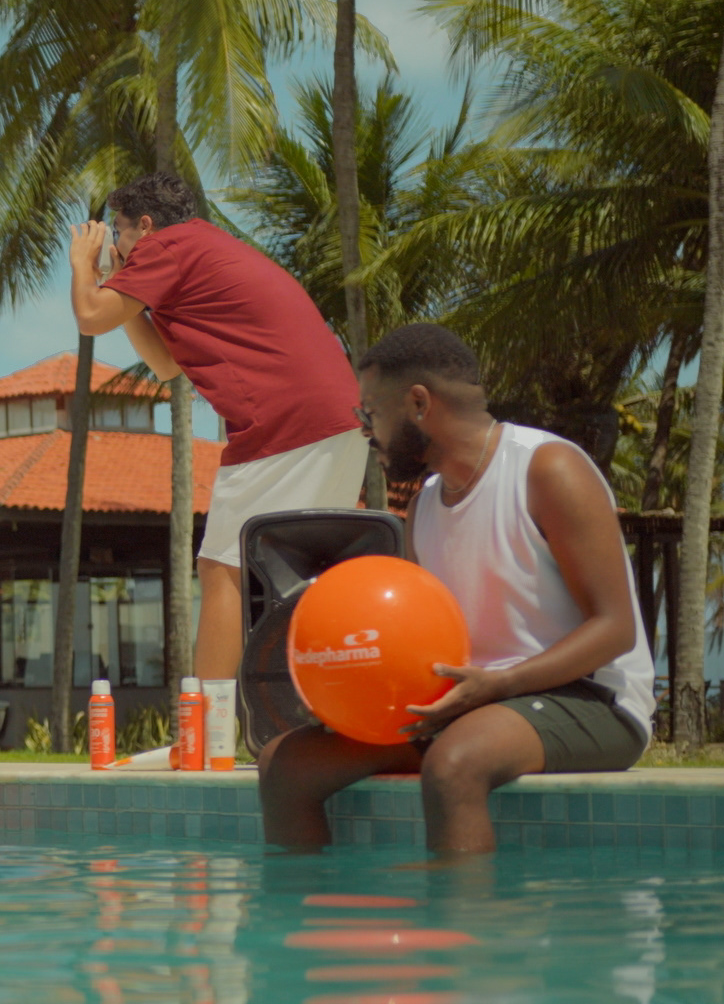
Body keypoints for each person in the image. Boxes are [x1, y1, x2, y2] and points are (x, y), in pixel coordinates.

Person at [258, 324, 655, 854]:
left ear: (419, 403)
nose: (365, 431)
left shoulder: (547, 469)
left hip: (592, 700)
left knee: (454, 765)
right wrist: (354, 701)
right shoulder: (424, 505)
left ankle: (458, 909)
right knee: (285, 765)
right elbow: (420, 642)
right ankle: (304, 907)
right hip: (470, 705)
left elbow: (615, 629)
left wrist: (499, 685)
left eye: (370, 413)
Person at [68, 172, 366, 683]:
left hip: (285, 423)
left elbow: (90, 317)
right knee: (300, 576)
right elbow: (165, 364)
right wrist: (120, 283)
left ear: (146, 225)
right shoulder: (200, 246)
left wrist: (83, 266)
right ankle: (325, 701)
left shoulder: (166, 247)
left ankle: (209, 719)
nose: (115, 242)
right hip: (337, 420)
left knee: (222, 569)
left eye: (117, 231)